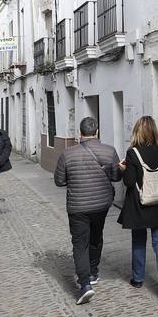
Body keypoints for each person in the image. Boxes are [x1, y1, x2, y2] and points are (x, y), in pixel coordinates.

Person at [52, 116, 121, 304]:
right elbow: (116, 177)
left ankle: (84, 284)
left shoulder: (68, 154)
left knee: (80, 243)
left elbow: (59, 181)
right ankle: (93, 272)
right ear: (97, 132)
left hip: (78, 206)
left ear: (79, 133)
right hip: (101, 204)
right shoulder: (109, 151)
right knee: (96, 237)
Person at [118, 115, 158, 299]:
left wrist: (123, 169)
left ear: (138, 131)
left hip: (140, 204)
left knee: (138, 240)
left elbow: (129, 182)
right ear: (154, 130)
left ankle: (137, 279)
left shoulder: (133, 153)